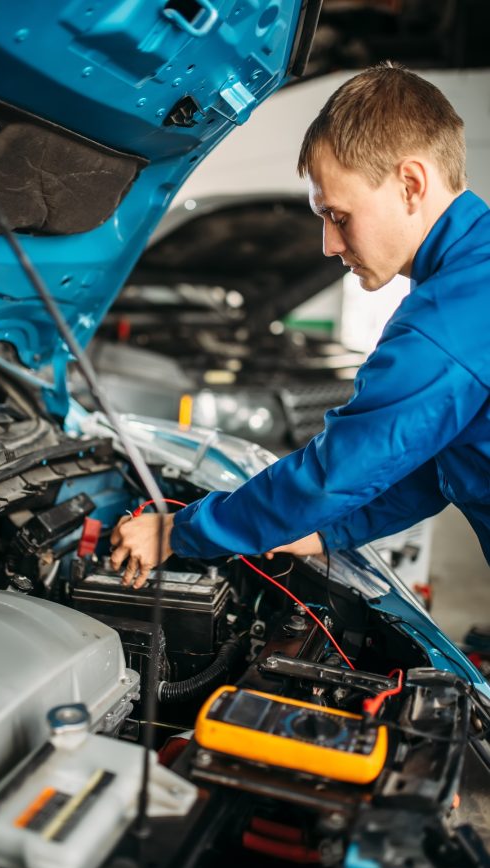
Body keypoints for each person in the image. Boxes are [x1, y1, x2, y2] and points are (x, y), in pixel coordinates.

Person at [110, 61, 490, 589]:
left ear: (410, 184)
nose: (330, 245)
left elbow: (332, 476)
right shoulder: (474, 279)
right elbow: (432, 471)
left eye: (337, 215)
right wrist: (324, 532)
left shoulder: (448, 320)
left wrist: (176, 532)